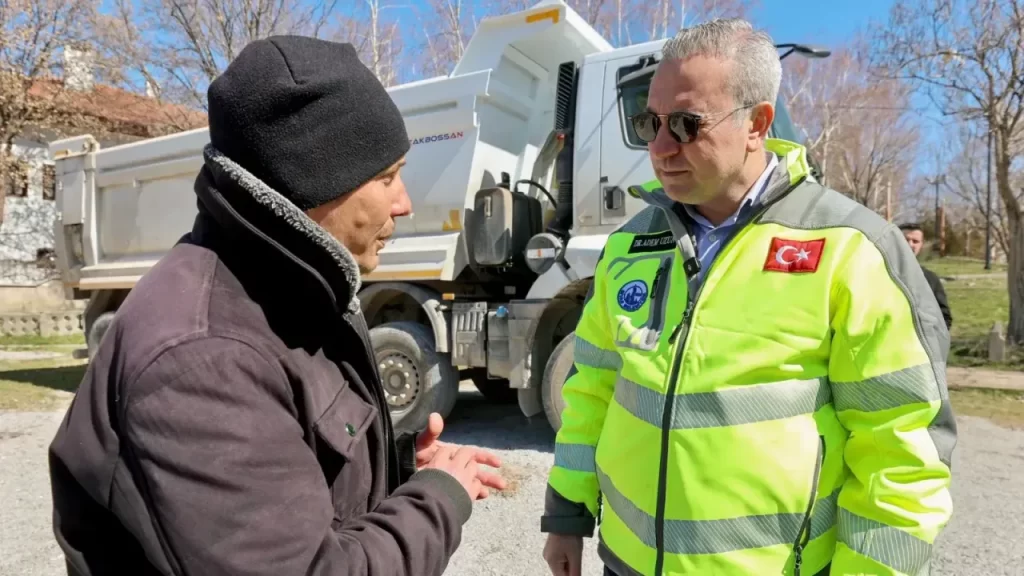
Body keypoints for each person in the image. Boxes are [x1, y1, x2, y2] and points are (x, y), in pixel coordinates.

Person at [48, 35, 505, 576]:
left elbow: (288, 472)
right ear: (313, 180)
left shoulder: (284, 290)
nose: (404, 203)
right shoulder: (202, 359)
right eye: (387, 177)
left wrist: (403, 470)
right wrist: (438, 499)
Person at [540, 19, 955, 576]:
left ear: (758, 123)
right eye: (649, 122)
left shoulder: (851, 250)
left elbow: (899, 452)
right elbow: (591, 390)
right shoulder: (630, 245)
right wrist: (566, 512)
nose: (660, 148)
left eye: (686, 124)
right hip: (627, 564)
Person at [899, 222, 954, 329]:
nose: (910, 244)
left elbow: (944, 318)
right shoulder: (877, 273)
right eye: (905, 239)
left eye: (915, 241)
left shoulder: (930, 279)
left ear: (921, 245)